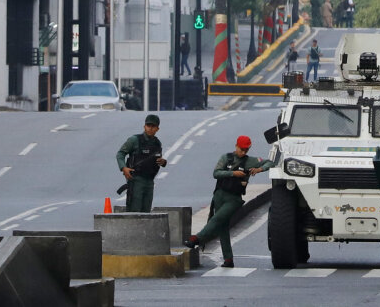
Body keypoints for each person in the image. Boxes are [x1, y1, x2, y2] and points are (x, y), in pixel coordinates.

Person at [184, 135, 275, 267]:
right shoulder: (225, 158)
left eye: (246, 150)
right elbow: (216, 173)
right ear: (236, 146)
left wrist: (260, 169)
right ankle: (228, 259)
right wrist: (232, 174)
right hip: (220, 195)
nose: (243, 152)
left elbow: (270, 162)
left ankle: (196, 239)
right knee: (223, 228)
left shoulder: (251, 161)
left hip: (234, 199)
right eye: (241, 149)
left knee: (216, 219)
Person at [116, 114, 167, 212]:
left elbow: (157, 160)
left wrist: (163, 161)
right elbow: (120, 154)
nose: (150, 129)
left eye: (153, 126)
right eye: (148, 126)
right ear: (144, 126)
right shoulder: (135, 140)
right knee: (135, 210)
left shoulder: (157, 143)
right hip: (136, 180)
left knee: (146, 210)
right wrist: (124, 168)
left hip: (150, 181)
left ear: (157, 129)